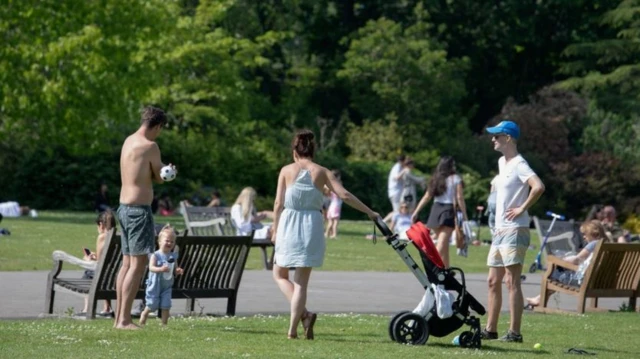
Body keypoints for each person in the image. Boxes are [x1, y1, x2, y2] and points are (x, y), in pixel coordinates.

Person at [272, 129, 379, 340]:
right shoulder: (322, 171)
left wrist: (275, 229)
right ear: (312, 151)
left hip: (289, 224)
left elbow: (278, 203)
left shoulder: (286, 170)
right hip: (311, 225)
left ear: (295, 151)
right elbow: (345, 195)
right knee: (301, 282)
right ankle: (295, 327)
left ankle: (300, 321)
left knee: (279, 274)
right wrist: (370, 212)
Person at [482, 120, 545, 343]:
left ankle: (515, 333)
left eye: (497, 136)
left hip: (515, 229)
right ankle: (490, 330)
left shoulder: (519, 163)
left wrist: (521, 208)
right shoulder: (502, 162)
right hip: (499, 230)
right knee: (492, 280)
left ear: (508, 138)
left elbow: (538, 186)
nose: (493, 139)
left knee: (511, 281)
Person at [115, 106, 174, 330]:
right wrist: (170, 171)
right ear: (157, 126)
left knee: (126, 264)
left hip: (123, 208)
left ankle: (119, 318)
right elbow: (161, 175)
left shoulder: (129, 141)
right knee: (137, 266)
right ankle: (124, 320)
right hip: (139, 211)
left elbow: (151, 176)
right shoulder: (151, 146)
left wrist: (162, 174)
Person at [525, 220, 609, 308]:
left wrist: (561, 260)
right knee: (557, 274)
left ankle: (539, 300)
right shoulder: (607, 245)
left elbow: (577, 259)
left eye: (585, 234)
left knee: (552, 272)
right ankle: (539, 299)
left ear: (593, 234)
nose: (584, 237)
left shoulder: (593, 244)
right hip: (599, 282)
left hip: (583, 281)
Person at [411, 156, 467, 268]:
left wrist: (416, 211)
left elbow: (427, 196)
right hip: (448, 209)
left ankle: (446, 269)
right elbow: (459, 198)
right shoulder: (455, 178)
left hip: (436, 209)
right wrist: (464, 215)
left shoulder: (435, 179)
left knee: (444, 243)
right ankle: (432, 264)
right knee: (442, 242)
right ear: (451, 166)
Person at [139, 225, 184, 327]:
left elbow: (174, 268)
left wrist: (177, 270)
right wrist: (160, 269)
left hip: (166, 285)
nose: (169, 243)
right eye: (167, 241)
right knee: (152, 304)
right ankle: (144, 314)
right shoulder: (156, 255)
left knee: (166, 305)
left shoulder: (172, 256)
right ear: (159, 242)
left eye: (172, 242)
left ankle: (164, 324)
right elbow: (151, 268)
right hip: (155, 285)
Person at [80, 210, 116, 317]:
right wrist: (95, 256)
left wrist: (88, 260)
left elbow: (100, 263)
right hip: (114, 275)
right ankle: (107, 308)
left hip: (104, 276)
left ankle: (87, 308)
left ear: (101, 224)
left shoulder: (102, 237)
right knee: (104, 273)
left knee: (88, 273)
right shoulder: (119, 235)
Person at [384, 154, 406, 222]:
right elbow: (396, 177)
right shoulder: (397, 167)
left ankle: (383, 222)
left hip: (396, 192)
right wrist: (404, 170)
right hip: (395, 192)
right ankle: (383, 222)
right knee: (397, 211)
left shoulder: (399, 167)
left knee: (397, 210)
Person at [324, 170, 343, 239]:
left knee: (330, 221)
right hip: (337, 205)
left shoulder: (330, 185)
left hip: (332, 205)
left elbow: (327, 193)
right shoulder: (338, 184)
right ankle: (334, 234)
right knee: (335, 221)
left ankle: (326, 233)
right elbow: (340, 195)